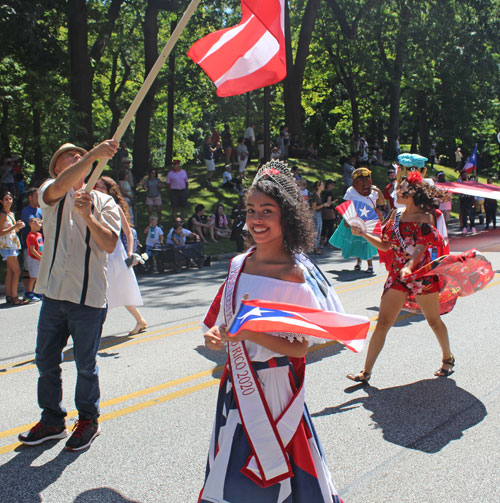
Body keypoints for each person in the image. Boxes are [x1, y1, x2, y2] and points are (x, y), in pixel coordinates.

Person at [200, 160, 344, 503]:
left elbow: (298, 349)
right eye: (251, 210)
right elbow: (224, 323)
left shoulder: (293, 275)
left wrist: (248, 333)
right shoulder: (238, 264)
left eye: (268, 210)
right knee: (232, 473)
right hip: (237, 384)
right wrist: (217, 336)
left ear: (288, 217)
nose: (257, 220)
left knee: (274, 472)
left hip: (276, 389)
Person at [18, 140, 120, 451]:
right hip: (52, 294)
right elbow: (55, 189)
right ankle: (52, 420)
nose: (76, 158)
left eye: (80, 155)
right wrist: (91, 155)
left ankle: (88, 420)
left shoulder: (104, 201)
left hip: (89, 297)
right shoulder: (50, 191)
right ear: (58, 168)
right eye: (68, 157)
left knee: (86, 364)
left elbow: (111, 244)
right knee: (46, 360)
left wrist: (89, 216)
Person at [346, 171, 454, 383]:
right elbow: (385, 244)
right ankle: (366, 372)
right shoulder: (395, 215)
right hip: (397, 276)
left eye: (401, 188)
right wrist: (364, 234)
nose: (396, 191)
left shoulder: (425, 217)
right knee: (384, 322)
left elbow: (421, 248)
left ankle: (447, 357)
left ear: (412, 193)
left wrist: (409, 266)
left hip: (421, 276)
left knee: (433, 321)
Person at [94, 176, 147, 336]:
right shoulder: (92, 206)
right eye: (97, 186)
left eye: (102, 187)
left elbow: (128, 232)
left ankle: (94, 329)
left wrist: (130, 252)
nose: (98, 189)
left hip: (115, 253)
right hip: (97, 251)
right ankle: (140, 321)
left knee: (108, 290)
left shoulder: (114, 207)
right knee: (109, 290)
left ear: (110, 191)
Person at [330, 167, 385, 273]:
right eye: (360, 178)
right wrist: (346, 219)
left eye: (366, 177)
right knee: (357, 241)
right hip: (355, 218)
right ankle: (358, 262)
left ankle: (370, 265)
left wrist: (378, 191)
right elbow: (346, 205)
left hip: (368, 219)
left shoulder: (373, 190)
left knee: (367, 241)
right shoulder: (351, 191)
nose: (364, 180)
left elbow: (382, 203)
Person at [0, 190, 26, 305]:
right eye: (6, 199)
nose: (9, 201)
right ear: (1, 201)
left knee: (11, 272)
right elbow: (1, 232)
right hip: (7, 246)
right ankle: (15, 297)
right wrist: (14, 226)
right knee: (17, 271)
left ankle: (9, 295)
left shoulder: (11, 214)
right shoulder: (2, 215)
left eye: (10, 199)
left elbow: (12, 230)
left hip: (12, 244)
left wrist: (18, 227)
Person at [20, 187, 43, 299]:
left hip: (40, 244)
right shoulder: (26, 211)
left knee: (37, 270)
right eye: (36, 196)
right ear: (30, 198)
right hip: (28, 245)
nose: (38, 198)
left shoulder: (40, 210)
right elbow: (32, 222)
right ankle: (27, 291)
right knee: (28, 269)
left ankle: (36, 290)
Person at [309, 180, 332, 254]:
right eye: (322, 185)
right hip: (315, 214)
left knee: (319, 231)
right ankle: (315, 249)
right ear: (318, 186)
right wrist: (324, 205)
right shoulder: (315, 195)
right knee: (316, 231)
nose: (323, 186)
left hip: (319, 214)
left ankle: (317, 248)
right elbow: (314, 207)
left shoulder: (319, 195)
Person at [24, 217, 44, 302]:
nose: (40, 225)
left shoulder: (39, 235)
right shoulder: (31, 236)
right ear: (32, 224)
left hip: (39, 258)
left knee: (38, 276)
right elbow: (32, 250)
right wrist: (39, 257)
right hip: (34, 259)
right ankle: (29, 293)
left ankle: (37, 291)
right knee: (33, 276)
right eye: (39, 223)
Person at [321, 179, 338, 246]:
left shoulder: (323, 192)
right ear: (328, 185)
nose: (333, 185)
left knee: (324, 226)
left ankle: (323, 240)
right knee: (330, 225)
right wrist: (335, 201)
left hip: (323, 210)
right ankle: (329, 241)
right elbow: (329, 203)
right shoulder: (329, 193)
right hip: (329, 211)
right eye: (331, 184)